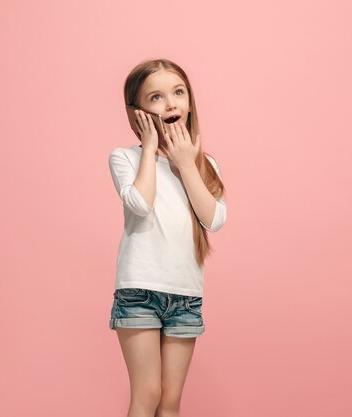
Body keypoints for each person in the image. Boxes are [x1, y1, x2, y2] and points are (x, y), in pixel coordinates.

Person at [107, 58, 227, 417]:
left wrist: (186, 163)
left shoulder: (205, 164)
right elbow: (140, 204)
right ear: (138, 112)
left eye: (178, 92)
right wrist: (148, 148)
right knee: (148, 394)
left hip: (186, 295)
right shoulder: (124, 158)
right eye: (156, 97)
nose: (171, 103)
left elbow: (215, 220)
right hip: (139, 290)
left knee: (171, 401)